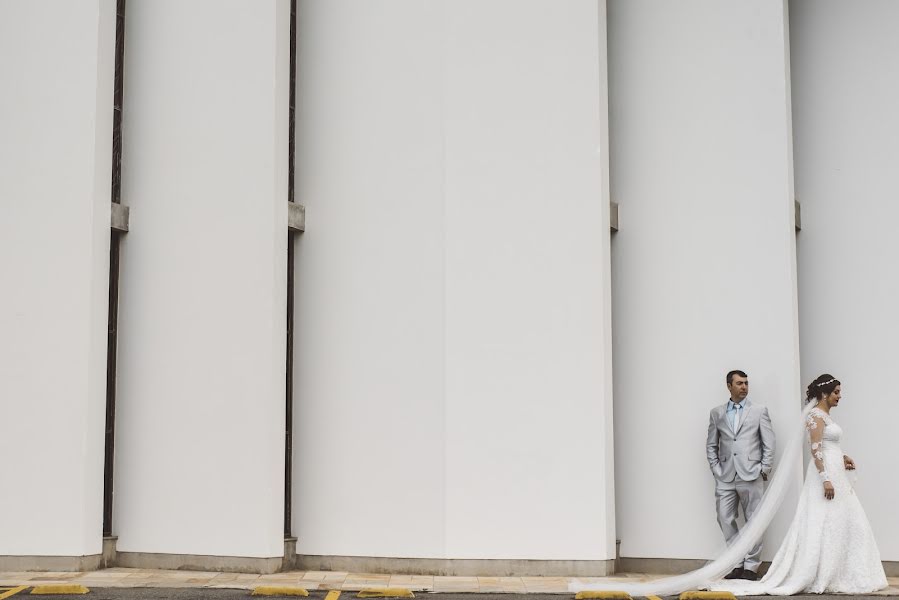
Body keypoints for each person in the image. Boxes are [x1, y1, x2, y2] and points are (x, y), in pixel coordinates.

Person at [710, 374, 888, 595]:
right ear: (824, 393)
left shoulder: (825, 416)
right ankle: (740, 562)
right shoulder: (815, 415)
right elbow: (815, 448)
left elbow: (827, 445)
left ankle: (836, 570)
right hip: (825, 476)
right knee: (819, 521)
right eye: (836, 392)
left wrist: (842, 458)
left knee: (841, 521)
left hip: (835, 472)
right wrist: (825, 479)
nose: (839, 396)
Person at [706, 369, 776, 580]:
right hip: (725, 475)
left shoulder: (759, 410)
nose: (744, 387)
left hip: (751, 474)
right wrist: (717, 470)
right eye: (739, 383)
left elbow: (769, 442)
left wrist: (763, 468)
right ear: (729, 386)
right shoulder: (716, 413)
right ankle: (735, 562)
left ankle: (751, 567)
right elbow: (711, 445)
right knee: (724, 518)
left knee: (754, 520)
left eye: (746, 383)